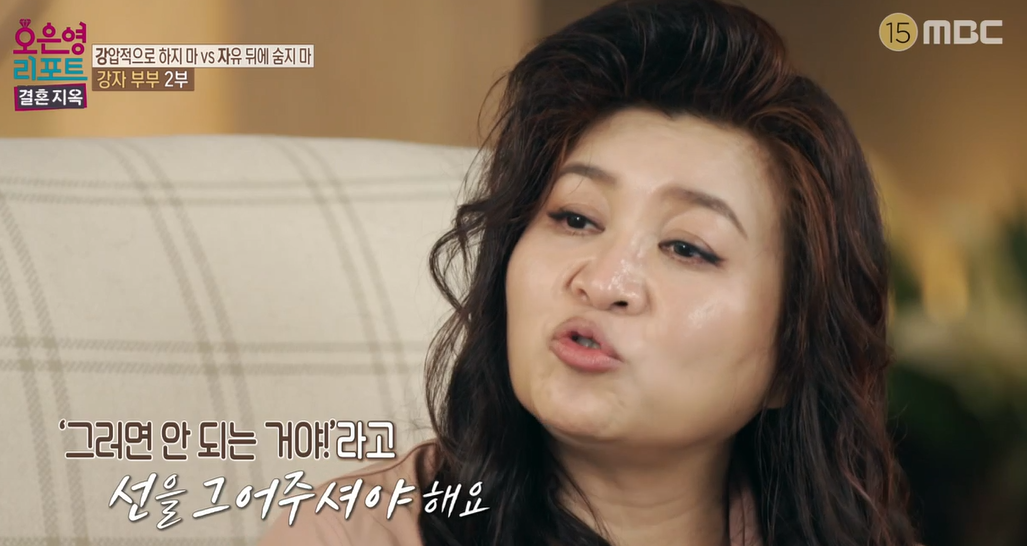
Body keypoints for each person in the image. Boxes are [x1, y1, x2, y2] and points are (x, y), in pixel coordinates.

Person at [260, 0, 921, 544]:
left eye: (687, 248)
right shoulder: (353, 533)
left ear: (791, 355)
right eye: (574, 217)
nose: (603, 282)